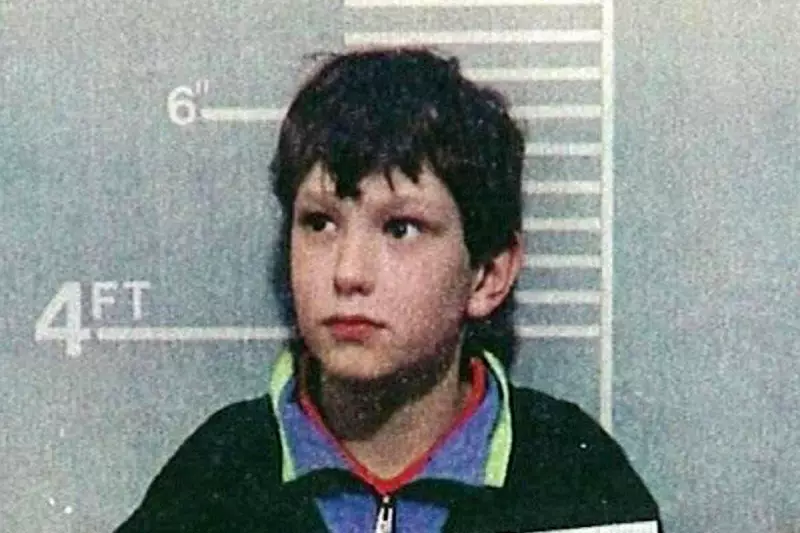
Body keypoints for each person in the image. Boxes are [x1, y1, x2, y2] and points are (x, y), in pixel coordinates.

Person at [115, 47, 661, 533]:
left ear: (487, 275)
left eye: (401, 229)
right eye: (320, 223)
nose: (348, 272)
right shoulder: (213, 478)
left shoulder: (575, 479)